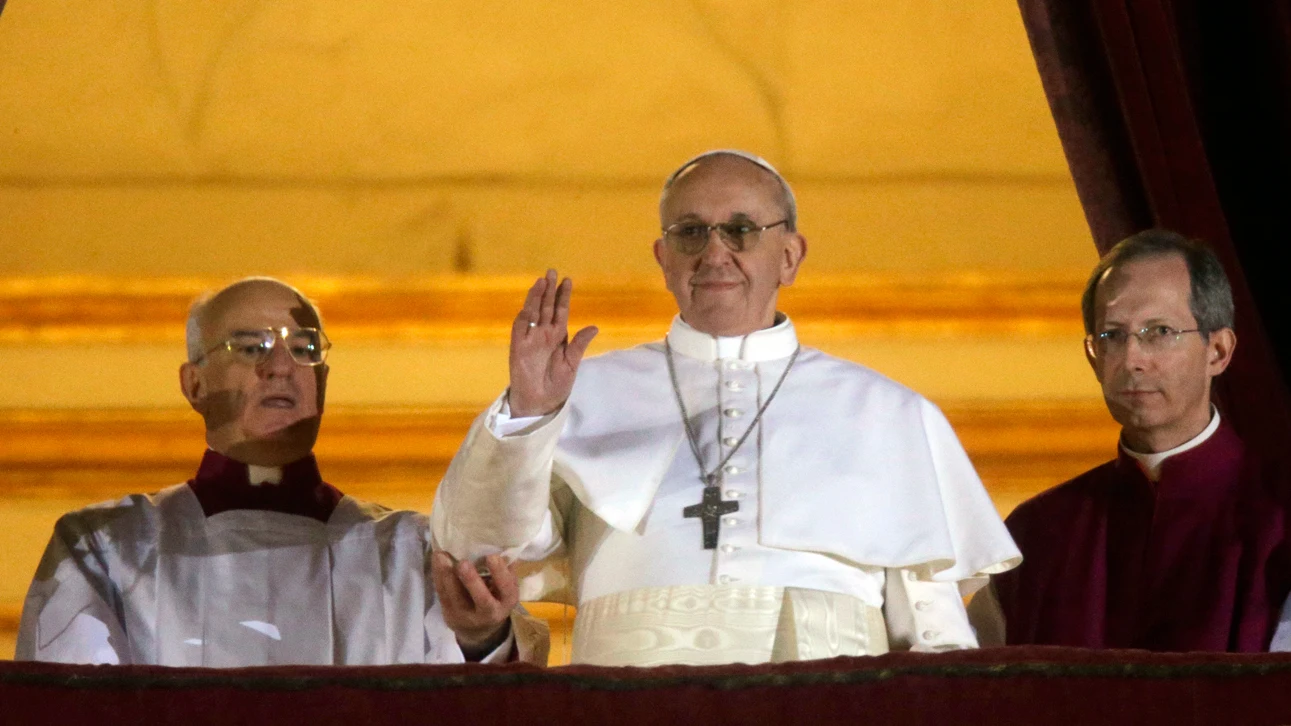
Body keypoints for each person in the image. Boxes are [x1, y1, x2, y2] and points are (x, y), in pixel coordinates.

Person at [431, 150, 1020, 667]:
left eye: (741, 230)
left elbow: (935, 637)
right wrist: (528, 418)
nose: (714, 252)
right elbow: (478, 553)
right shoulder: (578, 394)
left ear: (790, 256)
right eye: (691, 232)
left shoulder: (888, 413)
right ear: (663, 258)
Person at [17, 277, 546, 666]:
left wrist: (482, 637)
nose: (280, 366)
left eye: (304, 349)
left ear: (325, 381)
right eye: (251, 347)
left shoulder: (409, 553)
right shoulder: (106, 549)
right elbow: (68, 705)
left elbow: (486, 699)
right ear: (194, 384)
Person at [969, 229, 1291, 651]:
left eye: (1159, 331)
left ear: (1218, 351)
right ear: (1093, 358)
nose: (1132, 359)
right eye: (1113, 336)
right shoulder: (1034, 535)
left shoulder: (1281, 515)